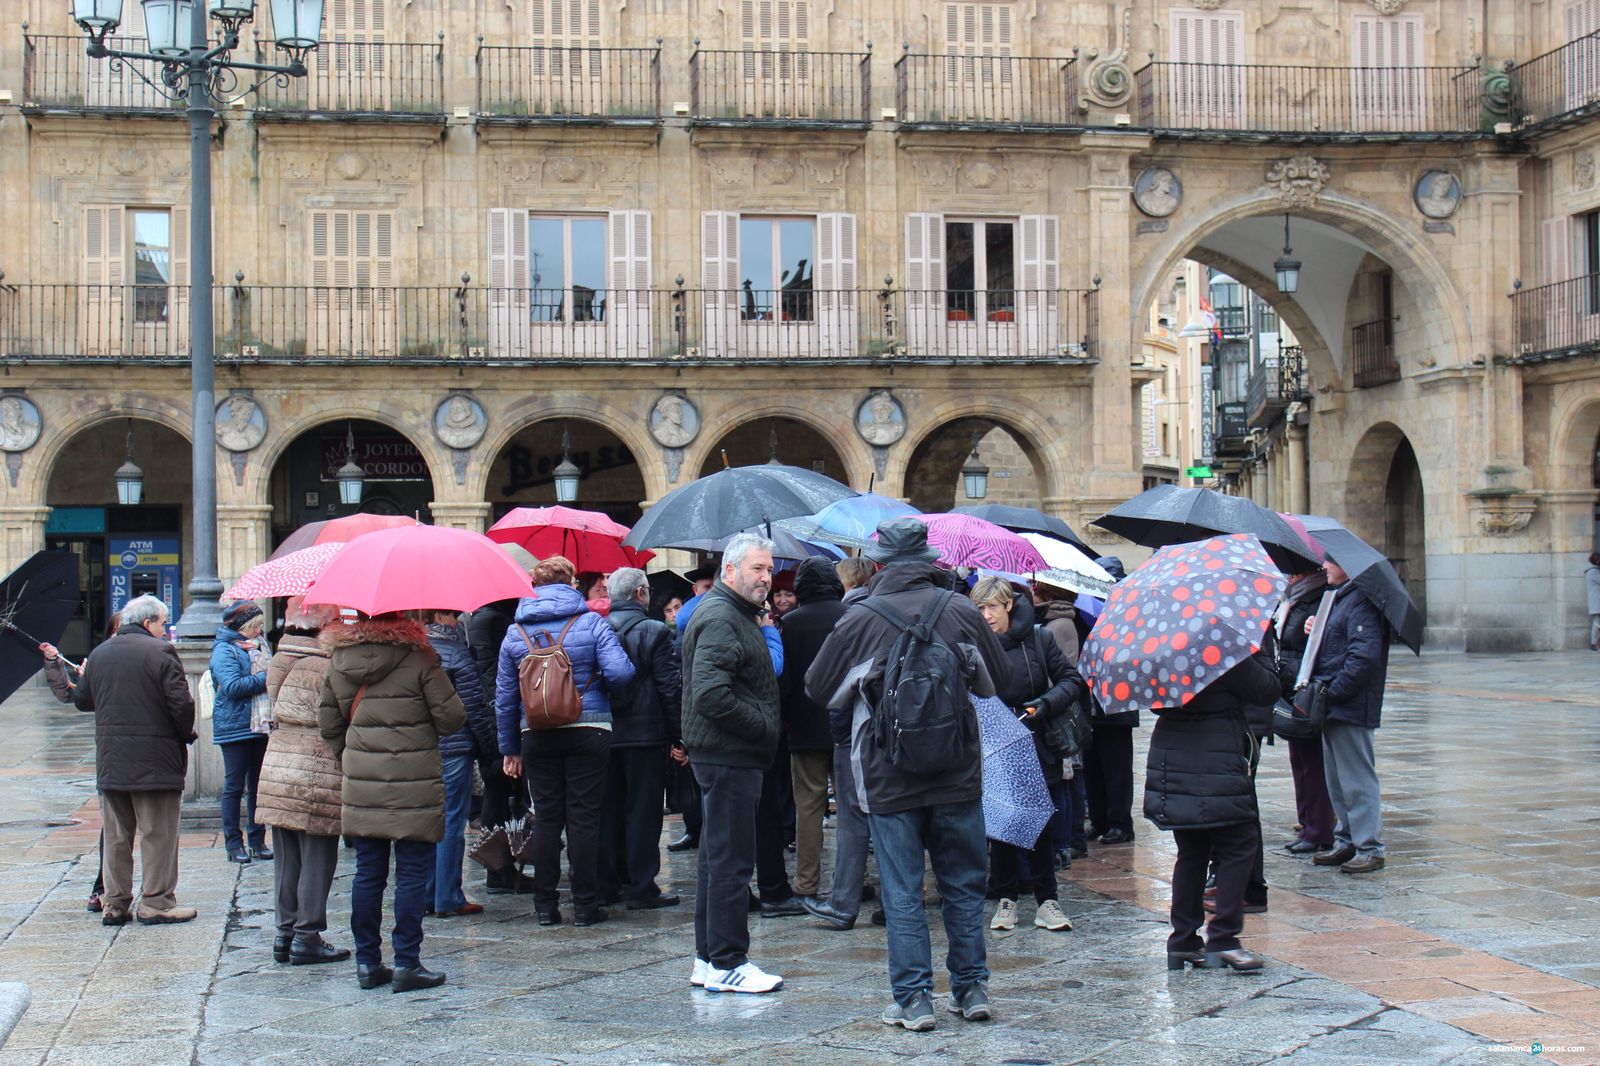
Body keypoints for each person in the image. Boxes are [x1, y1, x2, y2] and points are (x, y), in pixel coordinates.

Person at [806, 518, 1009, 1032]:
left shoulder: (860, 617)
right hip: (957, 769)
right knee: (963, 883)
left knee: (901, 888)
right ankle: (971, 987)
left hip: (886, 774)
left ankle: (914, 999)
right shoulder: (961, 609)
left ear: (878, 565)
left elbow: (817, 686)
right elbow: (998, 683)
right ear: (929, 561)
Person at [320, 610, 466, 993]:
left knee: (368, 872)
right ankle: (407, 963)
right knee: (412, 874)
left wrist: (351, 758)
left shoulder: (338, 659)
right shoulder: (420, 658)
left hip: (363, 784)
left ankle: (368, 963)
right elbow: (452, 719)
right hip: (414, 783)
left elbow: (329, 725)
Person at [495, 555, 635, 928]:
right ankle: (586, 906)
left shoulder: (515, 633)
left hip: (536, 734)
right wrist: (594, 688)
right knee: (584, 818)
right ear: (572, 583)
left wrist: (509, 748)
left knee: (546, 817)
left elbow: (506, 697)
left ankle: (545, 906)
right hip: (589, 728)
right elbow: (621, 673)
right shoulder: (590, 622)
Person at [681, 533, 786, 994]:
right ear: (730, 572)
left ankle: (708, 958)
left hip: (726, 752)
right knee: (731, 860)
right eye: (757, 569)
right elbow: (710, 694)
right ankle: (727, 961)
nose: (766, 578)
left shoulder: (734, 613)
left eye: (768, 569)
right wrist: (763, 723)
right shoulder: (723, 616)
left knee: (716, 857)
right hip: (729, 753)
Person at [1146, 648, 1283, 972]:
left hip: (1173, 753)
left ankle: (1183, 940)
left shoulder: (1161, 644)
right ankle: (1223, 938)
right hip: (1215, 754)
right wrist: (1257, 654)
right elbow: (1266, 688)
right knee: (1239, 844)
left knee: (1192, 851)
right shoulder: (1221, 645)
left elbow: (1155, 703)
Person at [73, 594, 199, 926]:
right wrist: (185, 734)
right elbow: (181, 705)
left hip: (112, 762)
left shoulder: (100, 653)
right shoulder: (161, 652)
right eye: (162, 623)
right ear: (148, 623)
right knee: (157, 833)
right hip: (155, 761)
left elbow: (83, 700)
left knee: (116, 835)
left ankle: (114, 904)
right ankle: (156, 902)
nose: (165, 629)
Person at [969, 577, 1082, 934]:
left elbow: (1071, 680)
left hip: (1034, 739)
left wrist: (1045, 704)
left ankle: (1047, 899)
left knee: (1040, 822)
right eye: (980, 607)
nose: (986, 615)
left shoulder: (1038, 637)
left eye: (992, 607)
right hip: (992, 746)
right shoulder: (972, 644)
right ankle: (1006, 898)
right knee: (1001, 824)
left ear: (1008, 607)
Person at [257, 600, 349, 966]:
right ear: (324, 626)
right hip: (316, 767)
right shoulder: (328, 664)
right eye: (339, 619)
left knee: (287, 853)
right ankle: (308, 936)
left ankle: (285, 933)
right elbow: (334, 719)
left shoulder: (279, 659)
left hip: (279, 764)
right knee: (318, 853)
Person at [599, 567, 683, 910]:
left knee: (607, 811)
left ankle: (607, 883)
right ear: (640, 594)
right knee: (644, 811)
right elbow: (669, 687)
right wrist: (679, 735)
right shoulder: (655, 631)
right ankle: (641, 885)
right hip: (645, 735)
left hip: (603, 733)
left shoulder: (595, 628)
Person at [1311, 557, 1391, 875]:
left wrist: (1334, 690)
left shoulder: (1361, 601)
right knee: (1337, 779)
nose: (1324, 566)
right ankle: (1346, 839)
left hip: (1351, 704)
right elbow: (1335, 644)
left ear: (1348, 565)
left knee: (1357, 778)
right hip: (1333, 703)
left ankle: (1369, 846)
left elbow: (1363, 656)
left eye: (1330, 561)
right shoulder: (1340, 597)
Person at [779, 558, 848, 909]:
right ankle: (853, 881)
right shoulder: (849, 614)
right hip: (848, 724)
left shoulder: (789, 623)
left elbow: (785, 681)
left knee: (808, 806)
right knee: (852, 807)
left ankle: (806, 883)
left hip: (805, 727)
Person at [424, 610, 496, 919]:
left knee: (428, 822)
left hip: (422, 748)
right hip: (454, 746)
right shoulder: (455, 652)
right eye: (455, 615)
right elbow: (473, 709)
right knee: (452, 822)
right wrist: (490, 749)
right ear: (441, 616)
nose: (459, 620)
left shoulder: (414, 652)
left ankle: (427, 894)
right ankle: (448, 896)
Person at [466, 596, 527, 894]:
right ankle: (499, 869)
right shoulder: (496, 621)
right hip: (496, 716)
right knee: (499, 791)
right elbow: (500, 674)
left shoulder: (483, 617)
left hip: (487, 713)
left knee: (497, 790)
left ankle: (499, 868)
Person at [1275, 565, 1334, 855]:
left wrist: (1311, 626)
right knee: (1298, 759)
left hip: (1304, 686)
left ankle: (1319, 828)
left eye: (1293, 570)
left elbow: (1306, 641)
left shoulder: (1319, 597)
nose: (1289, 575)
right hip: (1290, 684)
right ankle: (1307, 821)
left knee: (1312, 762)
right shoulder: (1292, 597)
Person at [212, 601, 273, 864]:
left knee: (258, 786)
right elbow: (233, 686)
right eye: (256, 625)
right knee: (234, 787)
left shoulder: (261, 645)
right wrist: (268, 678)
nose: (261, 630)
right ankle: (233, 843)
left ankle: (257, 841)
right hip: (236, 726)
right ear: (243, 626)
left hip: (260, 725)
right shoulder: (225, 650)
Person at [1083, 556, 1138, 846]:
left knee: (1116, 767)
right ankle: (1100, 818)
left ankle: (1120, 822)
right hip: (1091, 701)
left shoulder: (1128, 613)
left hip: (1117, 701)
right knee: (1092, 765)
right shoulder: (1086, 611)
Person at [1586, 552, 1600, 651]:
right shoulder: (1593, 572)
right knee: (1597, 622)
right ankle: (1593, 643)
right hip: (1597, 601)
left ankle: (1595, 642)